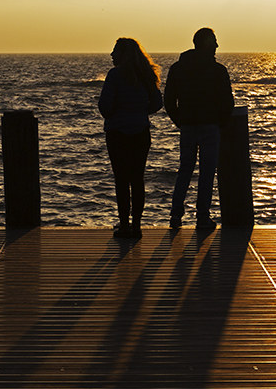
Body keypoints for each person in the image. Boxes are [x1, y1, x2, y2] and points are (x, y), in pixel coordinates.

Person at [163, 27, 234, 231]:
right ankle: (202, 217)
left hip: (188, 126)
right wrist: (220, 122)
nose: (217, 45)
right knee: (207, 172)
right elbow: (228, 102)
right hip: (210, 126)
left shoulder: (178, 68)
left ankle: (176, 215)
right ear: (206, 44)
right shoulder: (218, 70)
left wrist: (180, 120)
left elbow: (169, 100)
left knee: (185, 170)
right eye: (214, 41)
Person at [98, 38, 163, 239]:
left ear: (123, 54)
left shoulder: (115, 75)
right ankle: (136, 225)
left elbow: (104, 107)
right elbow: (157, 103)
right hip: (140, 132)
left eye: (115, 51)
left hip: (117, 133)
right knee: (137, 179)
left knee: (121, 179)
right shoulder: (145, 75)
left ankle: (124, 224)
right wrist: (140, 112)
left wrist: (117, 113)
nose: (111, 54)